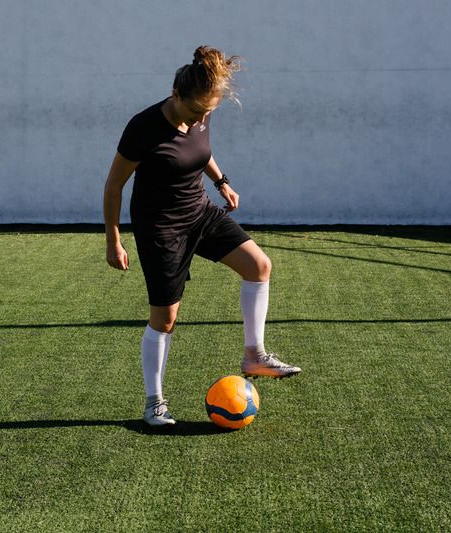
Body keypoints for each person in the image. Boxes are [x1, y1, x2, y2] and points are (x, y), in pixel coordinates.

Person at [103, 45, 300, 427]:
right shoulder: (143, 128)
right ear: (176, 95)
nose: (201, 119)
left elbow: (200, 150)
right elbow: (113, 186)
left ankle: (254, 356)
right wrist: (113, 239)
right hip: (161, 227)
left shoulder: (201, 112)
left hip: (199, 212)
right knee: (166, 317)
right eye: (196, 111)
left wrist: (221, 181)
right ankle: (154, 403)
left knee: (259, 265)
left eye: (208, 112)